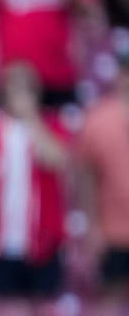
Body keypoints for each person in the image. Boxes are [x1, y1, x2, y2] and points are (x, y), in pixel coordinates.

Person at [0, 63, 69, 316]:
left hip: (42, 241)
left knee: (45, 306)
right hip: (1, 242)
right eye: (14, 87)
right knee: (8, 308)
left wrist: (32, 119)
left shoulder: (51, 124)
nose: (19, 94)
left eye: (26, 88)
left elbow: (56, 158)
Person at [76, 51, 129, 316]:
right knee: (109, 298)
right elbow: (86, 179)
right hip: (113, 232)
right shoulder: (98, 119)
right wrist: (93, 227)